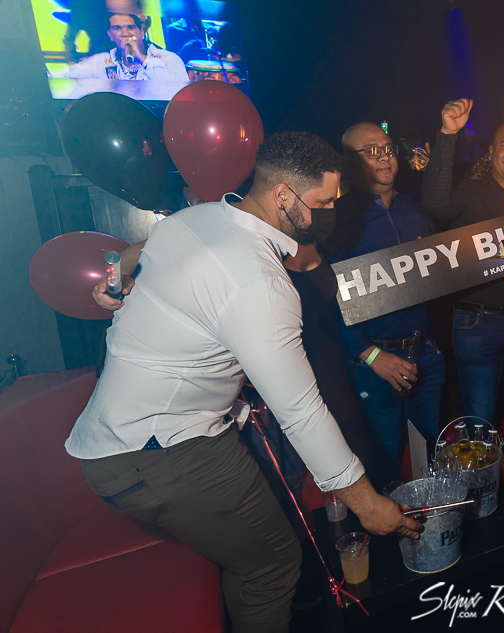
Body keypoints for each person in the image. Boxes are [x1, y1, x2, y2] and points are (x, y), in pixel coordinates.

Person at [74, 131, 420, 633]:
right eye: (324, 201)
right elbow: (301, 413)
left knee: (255, 563)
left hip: (120, 437)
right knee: (274, 565)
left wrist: (111, 281)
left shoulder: (196, 219)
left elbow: (132, 251)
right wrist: (370, 508)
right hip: (162, 449)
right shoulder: (259, 282)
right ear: (283, 195)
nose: (331, 210)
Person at [322, 122, 446, 485]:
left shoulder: (416, 212)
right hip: (372, 363)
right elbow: (326, 305)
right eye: (371, 151)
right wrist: (372, 356)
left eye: (389, 148)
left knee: (428, 454)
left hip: (425, 353)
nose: (385, 157)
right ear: (348, 162)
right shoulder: (334, 220)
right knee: (384, 460)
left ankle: (431, 516)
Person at [421, 98, 504, 430]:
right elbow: (435, 204)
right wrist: (447, 134)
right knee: (479, 422)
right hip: (476, 321)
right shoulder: (469, 191)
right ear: (492, 151)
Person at [60, 12, 188, 81]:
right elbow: (67, 79)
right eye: (117, 28)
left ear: (142, 31)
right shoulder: (100, 61)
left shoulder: (168, 59)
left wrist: (142, 58)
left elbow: (178, 91)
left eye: (131, 27)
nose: (125, 33)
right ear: (110, 34)